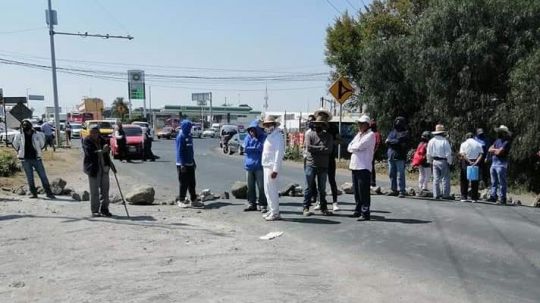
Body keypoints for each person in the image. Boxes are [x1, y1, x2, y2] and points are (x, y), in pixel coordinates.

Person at [12, 119, 56, 199]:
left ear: (30, 126)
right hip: (25, 159)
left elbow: (42, 144)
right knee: (30, 177)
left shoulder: (37, 134)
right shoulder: (19, 135)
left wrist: (38, 150)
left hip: (36, 158)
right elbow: (15, 144)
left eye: (27, 126)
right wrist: (20, 151)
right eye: (24, 126)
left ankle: (49, 193)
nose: (25, 127)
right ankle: (33, 193)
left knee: (43, 176)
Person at [303, 116, 333, 216]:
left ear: (323, 125)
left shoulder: (328, 136)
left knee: (322, 189)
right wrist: (321, 148)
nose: (317, 126)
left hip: (323, 166)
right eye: (316, 124)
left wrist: (317, 149)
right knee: (308, 187)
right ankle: (306, 207)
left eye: (319, 124)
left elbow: (329, 150)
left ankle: (323, 208)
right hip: (311, 164)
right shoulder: (309, 134)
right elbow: (309, 148)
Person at [348, 115, 376, 221]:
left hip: (363, 166)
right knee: (356, 190)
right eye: (359, 123)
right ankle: (358, 210)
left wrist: (355, 147)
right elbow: (349, 146)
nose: (360, 125)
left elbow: (359, 146)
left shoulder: (370, 135)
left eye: (362, 123)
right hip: (355, 165)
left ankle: (365, 212)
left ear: (367, 125)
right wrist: (355, 147)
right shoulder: (359, 134)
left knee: (363, 191)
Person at [83, 126, 114, 217]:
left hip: (104, 168)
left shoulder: (103, 140)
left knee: (105, 190)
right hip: (93, 168)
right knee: (94, 191)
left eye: (96, 132)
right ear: (90, 133)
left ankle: (105, 209)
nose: (94, 134)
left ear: (99, 133)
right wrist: (102, 151)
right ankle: (95, 210)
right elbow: (90, 153)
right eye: (92, 132)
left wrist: (111, 165)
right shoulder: (87, 141)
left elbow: (107, 154)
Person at [261, 115, 285, 221]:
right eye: (265, 125)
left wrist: (275, 170)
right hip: (266, 165)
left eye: (268, 124)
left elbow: (278, 153)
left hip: (272, 167)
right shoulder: (270, 135)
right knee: (267, 190)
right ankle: (271, 209)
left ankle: (275, 212)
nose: (266, 127)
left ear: (273, 125)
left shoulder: (278, 136)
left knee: (272, 190)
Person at [175, 120, 203, 208]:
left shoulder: (189, 136)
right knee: (183, 183)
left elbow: (190, 151)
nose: (190, 128)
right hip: (182, 164)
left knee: (192, 183)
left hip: (190, 163)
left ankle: (194, 200)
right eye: (189, 127)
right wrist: (182, 164)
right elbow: (180, 152)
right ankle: (181, 200)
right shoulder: (181, 136)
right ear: (184, 127)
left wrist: (193, 161)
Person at [243, 119, 268, 212]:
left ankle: (262, 204)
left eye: (253, 130)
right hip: (249, 166)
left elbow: (261, 148)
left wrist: (254, 144)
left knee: (261, 187)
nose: (251, 132)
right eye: (250, 130)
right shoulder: (247, 137)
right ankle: (251, 203)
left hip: (259, 166)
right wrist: (255, 147)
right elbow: (245, 148)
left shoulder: (263, 137)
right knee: (250, 187)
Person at [385, 116, 410, 197]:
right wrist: (394, 142)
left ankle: (402, 191)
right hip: (391, 155)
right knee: (391, 174)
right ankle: (393, 189)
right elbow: (387, 141)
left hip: (400, 156)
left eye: (400, 121)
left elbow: (398, 141)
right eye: (397, 121)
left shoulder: (405, 133)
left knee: (400, 175)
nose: (398, 123)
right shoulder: (392, 132)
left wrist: (391, 142)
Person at [427, 124, 453, 199]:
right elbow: (448, 154)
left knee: (436, 178)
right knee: (445, 178)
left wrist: (430, 161)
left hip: (435, 161)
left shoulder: (431, 141)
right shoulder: (445, 141)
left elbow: (428, 153)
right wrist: (450, 162)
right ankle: (445, 195)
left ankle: (436, 194)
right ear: (442, 133)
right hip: (443, 161)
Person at [487, 125, 512, 205]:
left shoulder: (506, 142)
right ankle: (493, 196)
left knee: (502, 182)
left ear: (504, 133)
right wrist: (496, 150)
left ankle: (502, 198)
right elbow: (489, 149)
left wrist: (494, 150)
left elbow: (499, 152)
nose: (499, 133)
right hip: (494, 163)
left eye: (500, 132)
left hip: (501, 164)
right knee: (493, 182)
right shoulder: (497, 141)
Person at [458, 133, 484, 202]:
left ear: (466, 137)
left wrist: (469, 161)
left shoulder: (463, 144)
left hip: (466, 162)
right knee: (474, 180)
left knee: (464, 179)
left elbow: (462, 154)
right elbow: (481, 154)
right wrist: (476, 162)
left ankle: (464, 196)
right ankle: (474, 197)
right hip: (475, 162)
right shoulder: (478, 144)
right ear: (473, 137)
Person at [303, 115, 318, 205]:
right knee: (308, 179)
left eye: (311, 121)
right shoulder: (307, 132)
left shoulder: (315, 133)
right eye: (308, 121)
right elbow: (305, 145)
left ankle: (315, 196)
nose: (310, 122)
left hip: (315, 158)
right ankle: (310, 197)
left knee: (314, 179)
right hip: (306, 157)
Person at [370, 119, 382, 187]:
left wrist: (374, 152)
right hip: (368, 152)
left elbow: (378, 144)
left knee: (371, 167)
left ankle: (372, 182)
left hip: (372, 152)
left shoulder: (377, 134)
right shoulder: (369, 133)